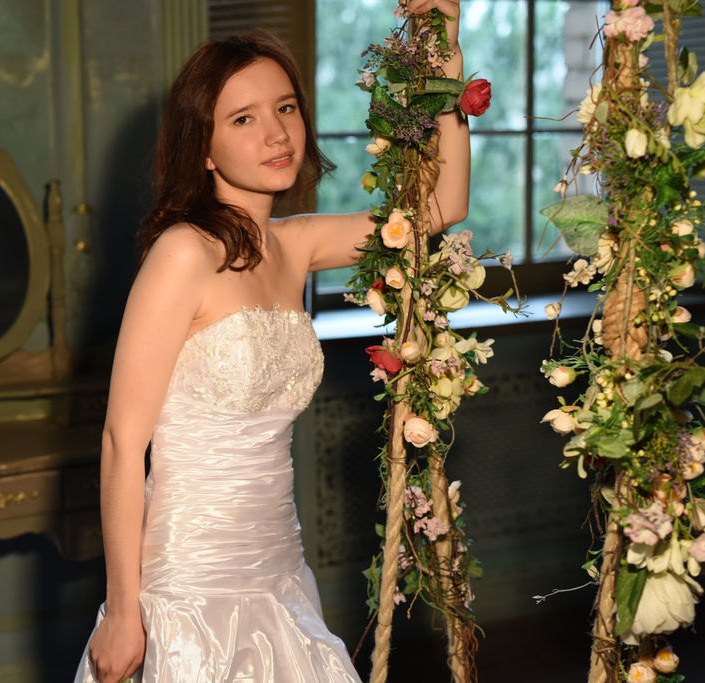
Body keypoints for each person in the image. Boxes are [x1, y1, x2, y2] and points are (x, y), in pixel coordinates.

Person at [75, 1, 468, 680]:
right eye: (243, 119)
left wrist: (447, 58)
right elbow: (121, 442)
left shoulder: (294, 244)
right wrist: (122, 611)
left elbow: (441, 207)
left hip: (279, 569)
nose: (276, 133)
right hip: (189, 584)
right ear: (202, 148)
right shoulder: (183, 253)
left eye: (285, 108)